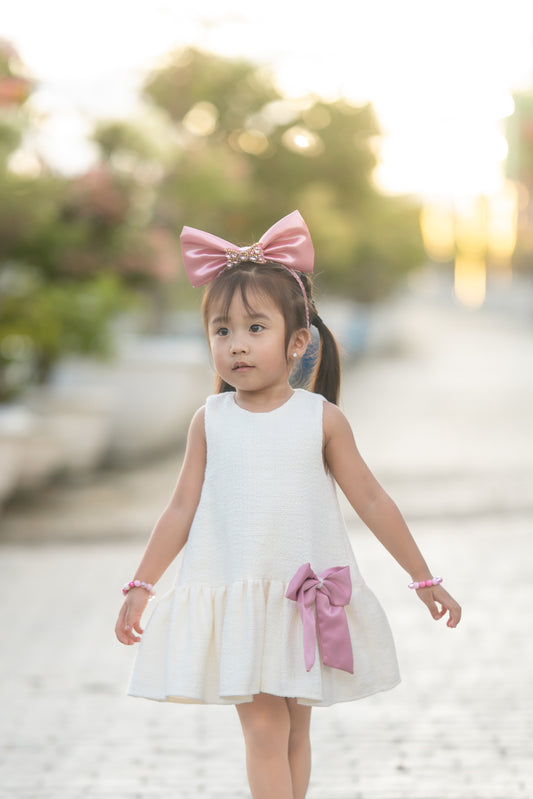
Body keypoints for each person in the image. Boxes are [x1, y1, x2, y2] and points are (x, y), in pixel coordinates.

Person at [115, 211, 461, 799]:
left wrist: (423, 577)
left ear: (297, 341)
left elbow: (372, 499)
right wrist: (141, 585)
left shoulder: (321, 420)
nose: (237, 344)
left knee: (296, 734)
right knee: (265, 733)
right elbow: (179, 510)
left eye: (255, 328)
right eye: (222, 331)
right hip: (240, 600)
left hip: (301, 601)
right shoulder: (210, 421)